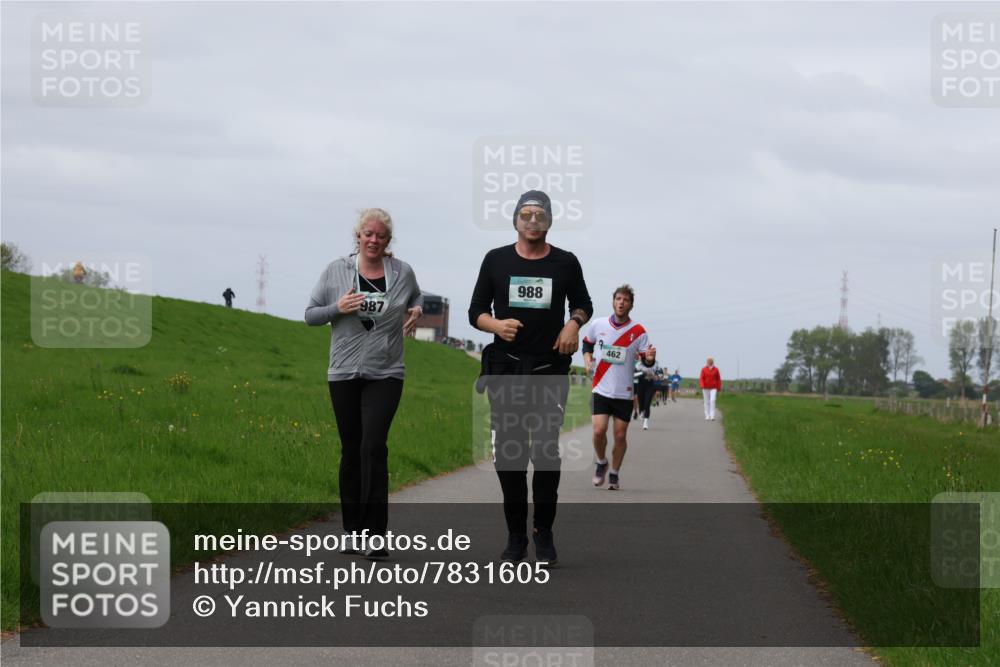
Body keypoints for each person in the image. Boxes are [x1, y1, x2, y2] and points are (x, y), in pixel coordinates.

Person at [469, 190, 593, 566]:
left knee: (545, 451)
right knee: (510, 454)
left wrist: (573, 325)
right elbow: (476, 310)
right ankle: (516, 536)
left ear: (549, 220)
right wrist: (496, 324)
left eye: (540, 214)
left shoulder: (565, 262)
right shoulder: (496, 259)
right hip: (506, 368)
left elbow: (584, 304)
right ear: (515, 220)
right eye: (526, 214)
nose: (533, 220)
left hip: (547, 370)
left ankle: (544, 532)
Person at [304, 208, 423, 560]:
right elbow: (310, 315)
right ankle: (352, 531)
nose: (373, 240)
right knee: (351, 450)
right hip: (343, 372)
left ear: (389, 241)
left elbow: (415, 295)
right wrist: (338, 307)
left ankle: (376, 535)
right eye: (368, 234)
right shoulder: (336, 271)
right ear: (358, 236)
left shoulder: (401, 272)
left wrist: (416, 310)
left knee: (373, 446)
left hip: (386, 371)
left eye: (381, 236)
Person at [582, 285, 655, 491]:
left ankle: (614, 472)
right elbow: (587, 343)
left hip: (623, 392)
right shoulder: (598, 324)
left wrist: (650, 359)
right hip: (601, 389)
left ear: (631, 305)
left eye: (626, 300)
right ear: (613, 301)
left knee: (620, 436)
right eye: (618, 298)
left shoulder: (639, 332)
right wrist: (587, 358)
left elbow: (646, 361)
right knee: (598, 431)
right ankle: (601, 462)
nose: (621, 302)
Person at [634, 354, 661, 430]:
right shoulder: (639, 364)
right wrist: (643, 373)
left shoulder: (655, 364)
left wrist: (655, 376)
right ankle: (641, 411)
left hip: (650, 385)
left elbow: (659, 376)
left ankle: (645, 423)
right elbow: (634, 375)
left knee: (647, 403)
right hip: (641, 385)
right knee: (641, 402)